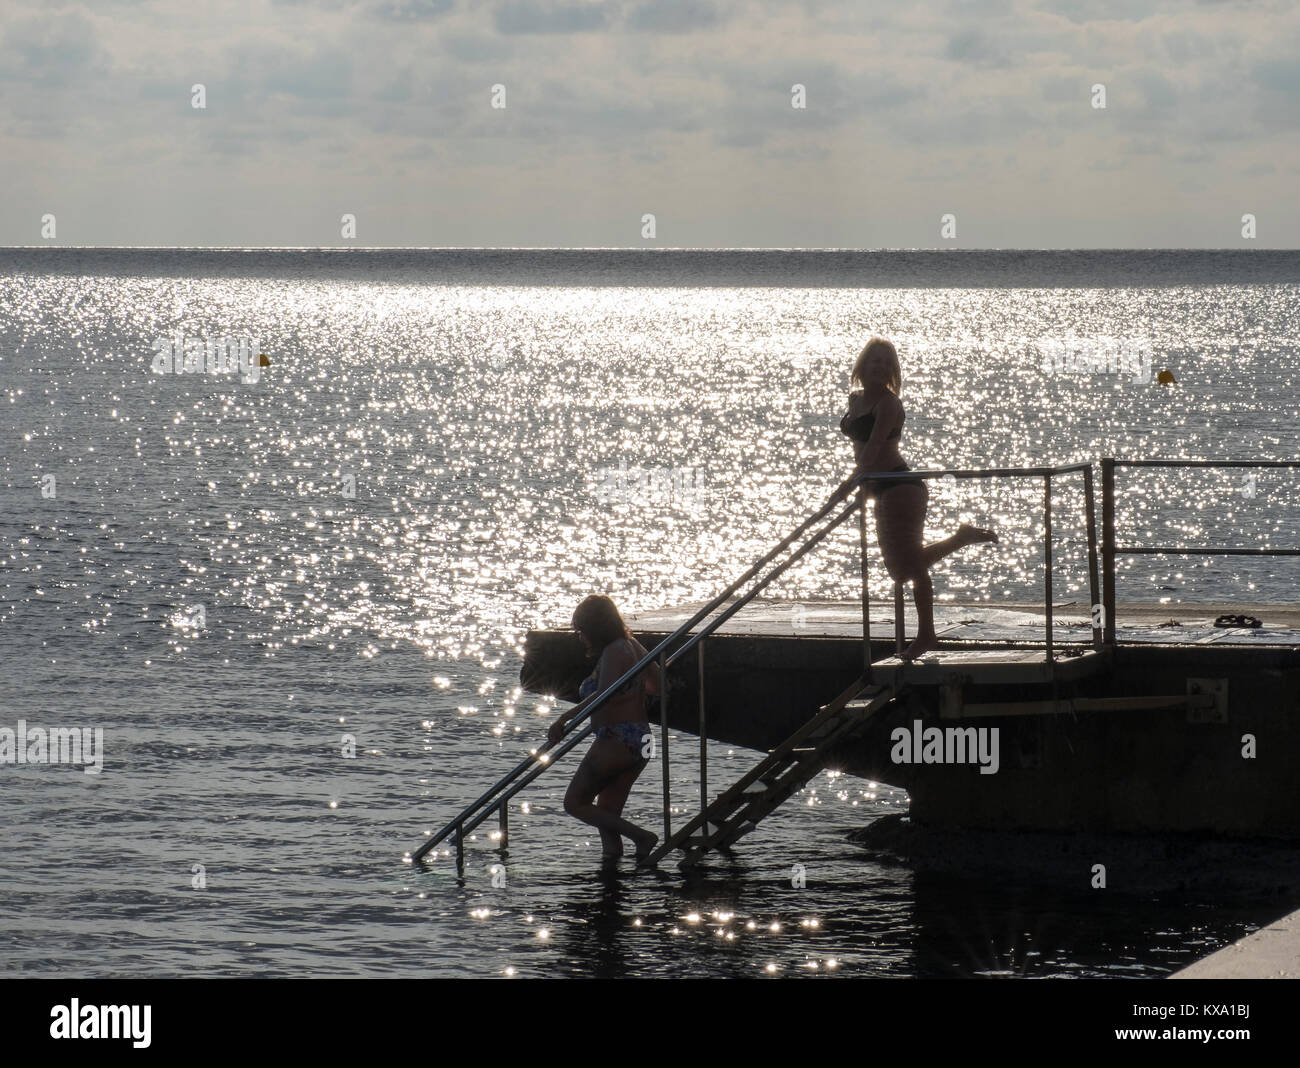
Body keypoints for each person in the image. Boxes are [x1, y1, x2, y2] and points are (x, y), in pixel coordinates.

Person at [832, 336, 997, 661]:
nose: (879, 367)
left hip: (900, 487)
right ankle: (959, 539)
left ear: (892, 370)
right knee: (900, 568)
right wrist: (858, 486)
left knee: (907, 567)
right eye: (873, 360)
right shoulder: (855, 399)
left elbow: (873, 451)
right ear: (862, 365)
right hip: (878, 487)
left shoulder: (890, 404)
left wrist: (846, 487)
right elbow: (860, 450)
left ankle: (926, 634)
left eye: (885, 362)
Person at [548, 595, 660, 862]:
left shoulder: (613, 651)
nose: (579, 636)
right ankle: (612, 874)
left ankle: (642, 836)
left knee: (574, 803)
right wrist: (632, 690)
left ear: (595, 628)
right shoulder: (632, 645)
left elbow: (603, 695)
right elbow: (659, 685)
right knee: (607, 816)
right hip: (641, 739)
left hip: (616, 739)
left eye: (581, 630)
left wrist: (564, 717)